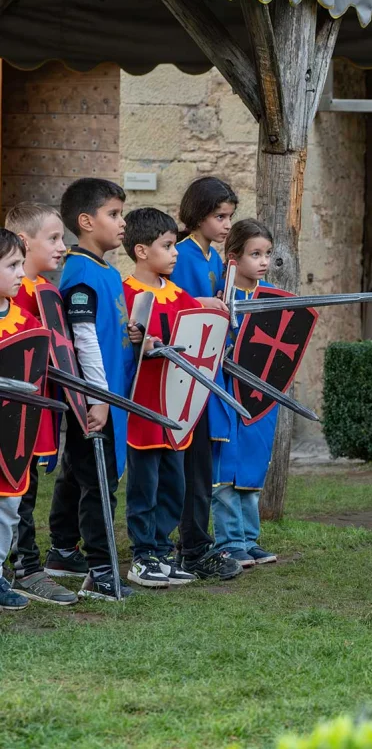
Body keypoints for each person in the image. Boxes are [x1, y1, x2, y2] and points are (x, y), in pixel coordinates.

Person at [48, 178, 137, 601]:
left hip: (103, 394)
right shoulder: (80, 272)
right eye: (114, 214)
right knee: (98, 479)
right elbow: (82, 341)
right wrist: (97, 399)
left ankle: (63, 550)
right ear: (86, 221)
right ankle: (101, 572)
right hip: (91, 397)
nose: (122, 223)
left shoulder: (104, 268)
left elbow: (103, 330)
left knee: (78, 469)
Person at [122, 207, 201, 587]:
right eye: (167, 246)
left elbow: (199, 336)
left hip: (177, 405)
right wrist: (137, 342)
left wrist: (212, 309)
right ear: (141, 250)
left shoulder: (181, 295)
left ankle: (162, 550)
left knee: (174, 483)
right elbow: (120, 348)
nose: (175, 253)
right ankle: (142, 555)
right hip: (143, 406)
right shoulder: (125, 294)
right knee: (144, 483)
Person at [3, 204, 77, 605]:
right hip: (9, 413)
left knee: (23, 489)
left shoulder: (46, 293)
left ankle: (25, 565)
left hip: (35, 409)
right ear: (23, 242)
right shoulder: (19, 299)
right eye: (53, 238)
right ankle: (22, 566)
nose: (62, 247)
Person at [170, 177, 242, 581]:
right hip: (182, 374)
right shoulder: (178, 255)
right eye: (219, 216)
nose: (227, 224)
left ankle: (195, 542)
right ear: (198, 215)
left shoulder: (214, 259)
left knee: (200, 465)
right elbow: (169, 305)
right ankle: (188, 546)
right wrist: (201, 304)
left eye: (230, 216)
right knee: (184, 465)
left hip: (207, 373)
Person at [212, 219, 279, 567]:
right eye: (256, 254)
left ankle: (249, 539)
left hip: (259, 395)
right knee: (226, 468)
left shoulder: (268, 300)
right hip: (225, 392)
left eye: (267, 254)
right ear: (234, 259)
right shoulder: (220, 298)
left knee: (252, 468)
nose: (264, 261)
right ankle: (229, 540)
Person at [0, 229, 40, 610]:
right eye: (12, 265)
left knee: (9, 505)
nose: (20, 274)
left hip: (12, 435)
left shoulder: (26, 322)